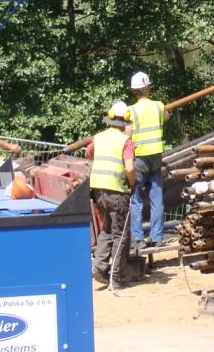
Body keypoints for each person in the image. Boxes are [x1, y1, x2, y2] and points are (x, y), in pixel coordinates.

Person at [87, 100, 136, 288]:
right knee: (120, 234)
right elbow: (130, 168)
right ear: (125, 122)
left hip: (98, 190)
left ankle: (98, 268)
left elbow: (88, 154)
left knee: (107, 229)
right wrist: (133, 183)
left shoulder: (98, 137)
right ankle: (116, 277)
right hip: (117, 190)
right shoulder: (125, 141)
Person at [127, 71, 167, 251]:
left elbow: (127, 134)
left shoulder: (131, 111)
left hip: (139, 157)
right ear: (148, 88)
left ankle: (138, 239)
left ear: (134, 91)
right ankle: (157, 237)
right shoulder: (159, 106)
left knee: (135, 199)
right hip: (157, 156)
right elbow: (167, 117)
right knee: (156, 197)